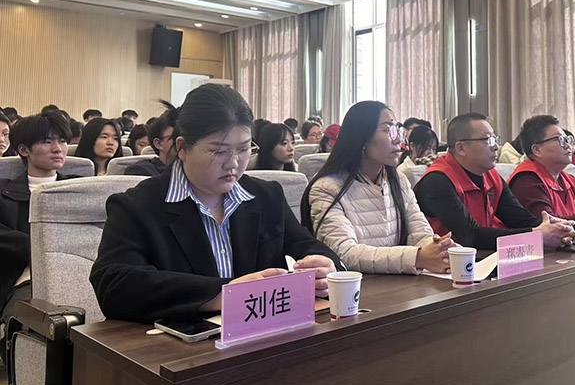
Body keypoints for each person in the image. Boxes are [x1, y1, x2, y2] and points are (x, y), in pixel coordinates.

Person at [91, 84, 341, 323]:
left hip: (263, 340)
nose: (233, 163)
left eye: (243, 149)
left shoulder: (266, 197)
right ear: (183, 148)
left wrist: (326, 267)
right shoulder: (137, 206)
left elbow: (308, 246)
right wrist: (223, 293)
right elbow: (113, 285)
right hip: (181, 345)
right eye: (219, 152)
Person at [302, 101, 453, 275]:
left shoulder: (398, 180)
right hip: (357, 286)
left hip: (400, 282)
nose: (399, 140)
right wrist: (417, 257)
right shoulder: (327, 188)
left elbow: (419, 233)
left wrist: (439, 249)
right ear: (361, 137)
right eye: (388, 130)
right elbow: (344, 252)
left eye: (398, 130)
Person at [414, 113, 575, 250]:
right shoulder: (437, 181)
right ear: (461, 148)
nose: (496, 147)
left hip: (484, 259)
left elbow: (519, 219)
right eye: (488, 141)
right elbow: (470, 236)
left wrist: (556, 228)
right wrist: (536, 235)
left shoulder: (491, 176)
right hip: (446, 266)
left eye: (496, 140)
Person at [0, 111, 74, 357]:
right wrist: (46, 248)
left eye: (62, 141)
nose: (58, 148)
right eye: (47, 141)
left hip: (78, 273)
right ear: (24, 150)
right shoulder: (4, 193)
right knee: (29, 322)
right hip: (25, 277)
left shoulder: (80, 190)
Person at [508, 116, 575, 233]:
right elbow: (550, 226)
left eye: (568, 139)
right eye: (560, 139)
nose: (568, 145)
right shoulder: (526, 180)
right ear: (537, 150)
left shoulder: (568, 179)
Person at [124, 102, 178, 177]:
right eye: (175, 137)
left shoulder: (191, 170)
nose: (183, 142)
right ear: (158, 143)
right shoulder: (140, 171)